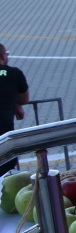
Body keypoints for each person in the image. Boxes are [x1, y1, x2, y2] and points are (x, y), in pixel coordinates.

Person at [0, 44, 29, 174]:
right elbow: (24, 99)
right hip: (4, 139)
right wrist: (13, 102)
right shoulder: (14, 74)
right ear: (2, 56)